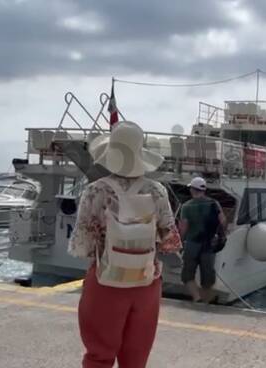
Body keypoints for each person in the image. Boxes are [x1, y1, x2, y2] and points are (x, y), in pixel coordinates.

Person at [68, 121, 182, 368]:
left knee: (99, 355)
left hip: (105, 280)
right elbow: (171, 242)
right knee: (136, 359)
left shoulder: (94, 191)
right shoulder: (157, 191)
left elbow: (81, 246)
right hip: (146, 283)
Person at [178, 176, 226, 303]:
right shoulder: (214, 203)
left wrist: (180, 242)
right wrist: (219, 235)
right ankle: (205, 301)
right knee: (207, 277)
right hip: (209, 245)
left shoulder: (186, 206)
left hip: (192, 244)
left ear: (192, 190)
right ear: (204, 190)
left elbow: (183, 227)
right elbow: (223, 221)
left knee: (187, 274)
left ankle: (196, 297)